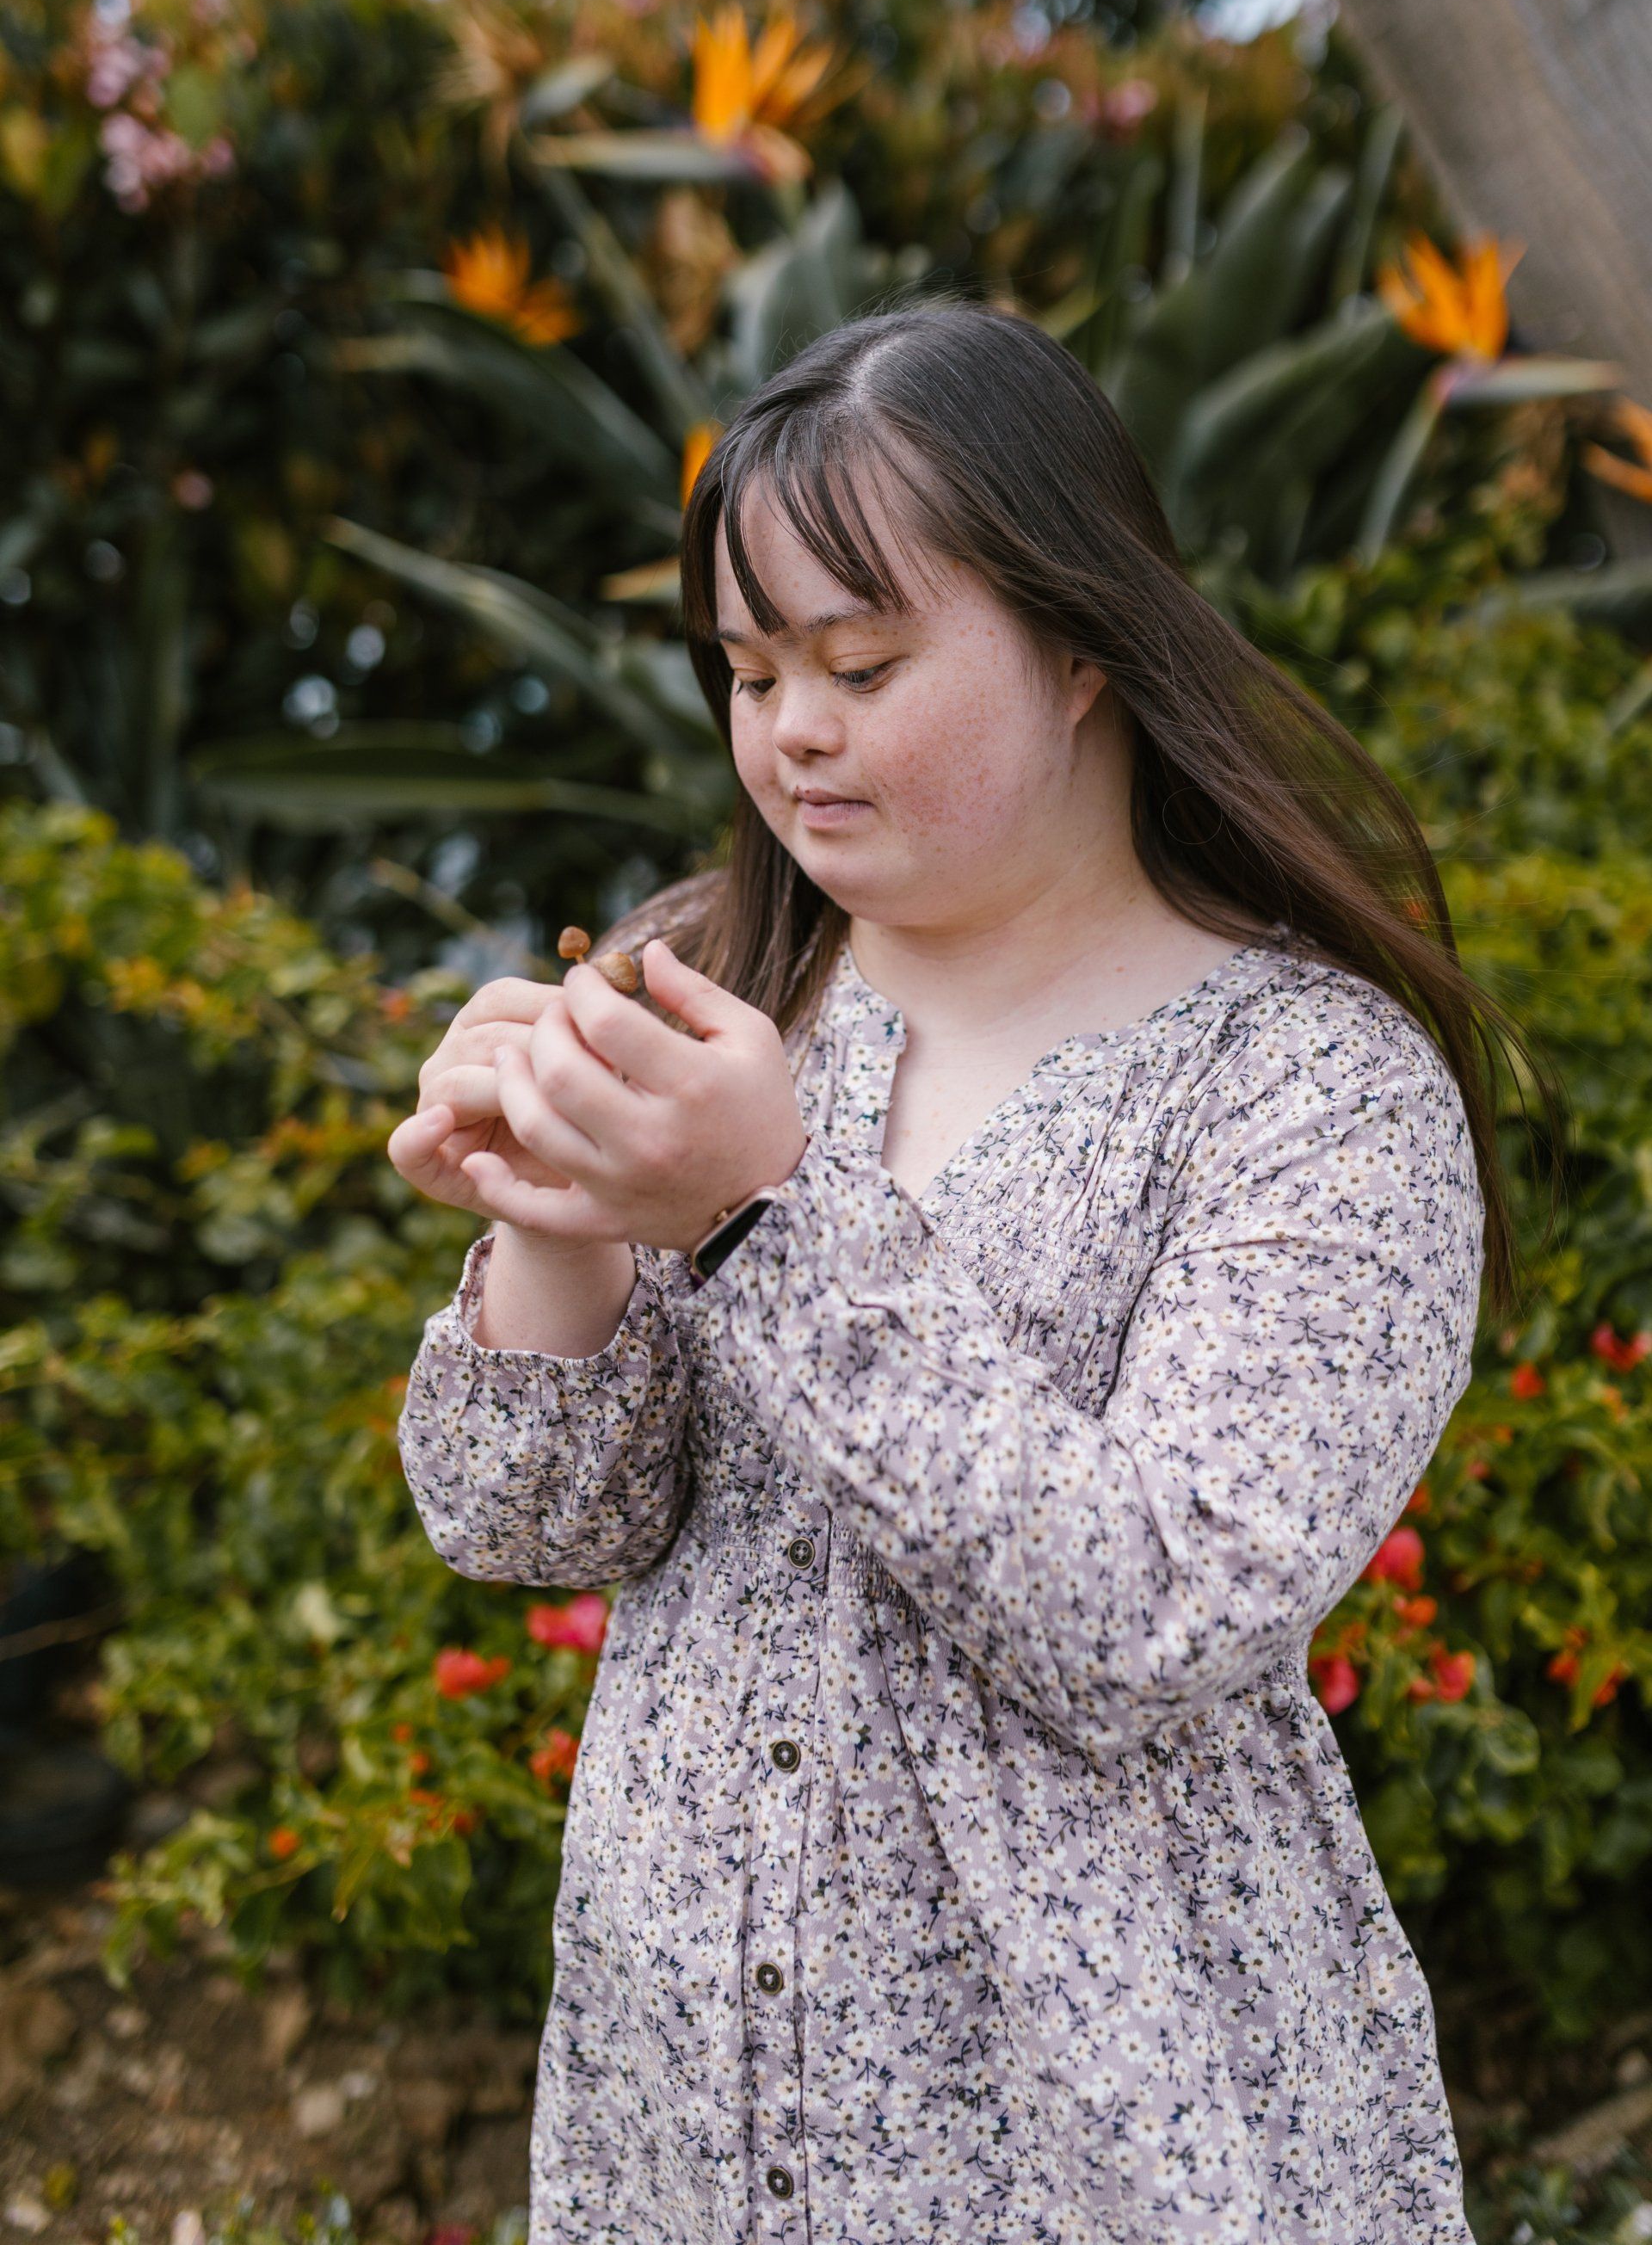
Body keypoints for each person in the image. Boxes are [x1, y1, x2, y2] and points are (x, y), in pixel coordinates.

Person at [389, 300, 1533, 2245]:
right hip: (684, 2117)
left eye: (861, 664)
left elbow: (1158, 1611)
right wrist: (556, 1215)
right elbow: (529, 1521)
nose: (793, 731)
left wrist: (758, 1216)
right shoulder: (720, 982)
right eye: (751, 671)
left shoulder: (1311, 1089)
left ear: (1085, 645)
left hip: (1101, 2131)